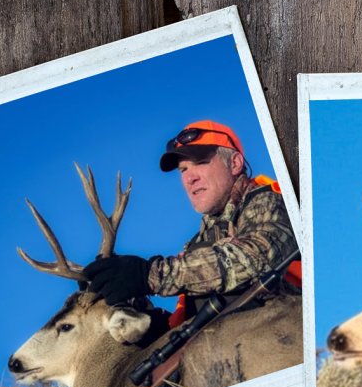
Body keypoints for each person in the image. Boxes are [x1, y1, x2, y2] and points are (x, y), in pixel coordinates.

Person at [82, 120, 298, 316]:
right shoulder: (196, 246)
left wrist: (149, 275)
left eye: (201, 162)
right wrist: (129, 297)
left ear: (235, 163)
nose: (189, 178)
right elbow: (187, 320)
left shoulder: (272, 201)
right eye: (183, 169)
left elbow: (257, 258)